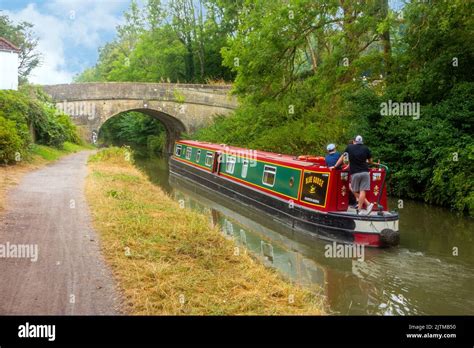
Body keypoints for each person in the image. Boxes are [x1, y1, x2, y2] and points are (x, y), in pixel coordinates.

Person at [330, 135, 374, 215]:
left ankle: (365, 206)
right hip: (365, 172)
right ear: (362, 141)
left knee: (353, 190)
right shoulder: (366, 148)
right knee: (362, 191)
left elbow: (343, 158)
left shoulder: (349, 148)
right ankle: (364, 207)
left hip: (355, 173)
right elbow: (370, 161)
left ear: (354, 141)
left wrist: (335, 166)